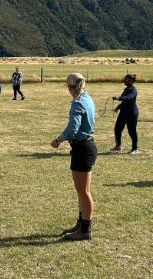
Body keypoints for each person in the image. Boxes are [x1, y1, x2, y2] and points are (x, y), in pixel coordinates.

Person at [51, 73, 96, 241]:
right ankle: (81, 223)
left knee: (83, 192)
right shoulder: (87, 98)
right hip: (86, 146)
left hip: (82, 147)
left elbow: (73, 128)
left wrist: (58, 140)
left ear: (71, 88)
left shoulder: (77, 103)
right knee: (81, 191)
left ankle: (85, 229)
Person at [110, 74, 139, 154]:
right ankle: (118, 146)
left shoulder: (133, 90)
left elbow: (128, 98)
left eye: (125, 80)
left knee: (131, 131)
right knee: (117, 129)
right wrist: (118, 107)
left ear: (130, 81)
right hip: (123, 112)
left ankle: (135, 149)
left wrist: (118, 98)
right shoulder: (126, 89)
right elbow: (124, 101)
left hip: (131, 113)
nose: (124, 81)